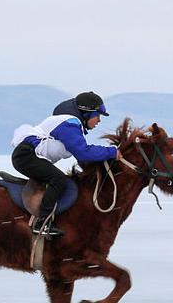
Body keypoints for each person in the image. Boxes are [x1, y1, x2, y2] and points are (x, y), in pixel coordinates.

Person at [10, 91, 122, 238]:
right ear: (86, 113)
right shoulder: (69, 124)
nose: (99, 120)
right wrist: (112, 152)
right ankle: (41, 224)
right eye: (97, 115)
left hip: (28, 155)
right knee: (58, 179)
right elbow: (83, 152)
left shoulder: (71, 124)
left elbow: (82, 156)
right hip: (27, 156)